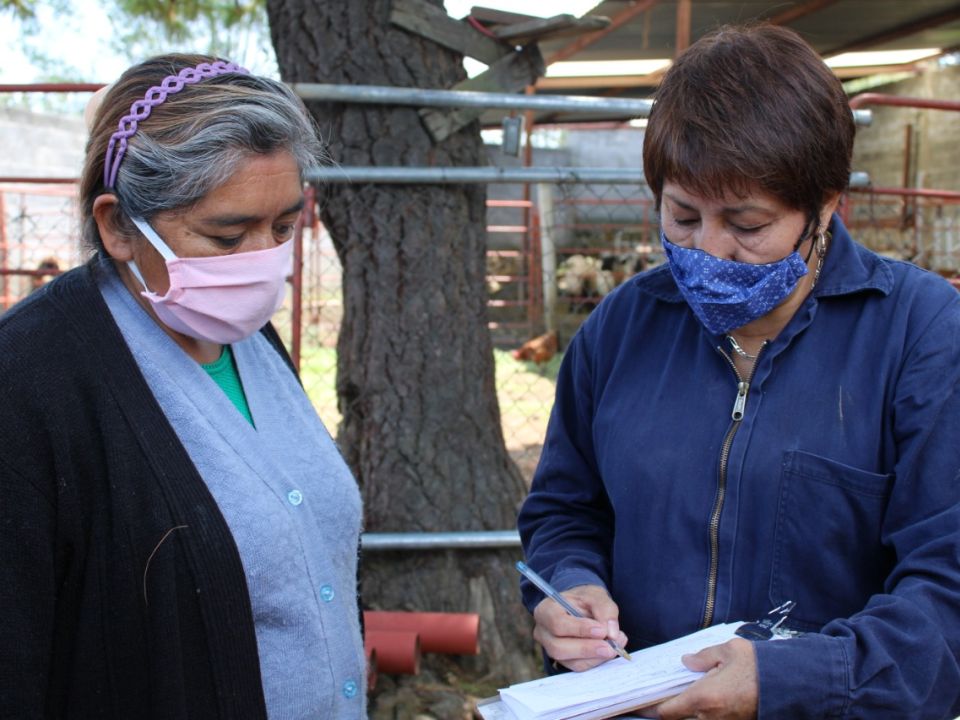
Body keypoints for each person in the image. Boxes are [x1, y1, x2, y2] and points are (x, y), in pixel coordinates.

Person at [517, 24, 960, 720]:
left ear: (825, 205)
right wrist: (568, 588)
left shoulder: (921, 334)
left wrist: (795, 678)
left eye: (747, 224)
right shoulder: (623, 327)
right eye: (683, 216)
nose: (710, 251)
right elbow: (565, 510)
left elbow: (947, 592)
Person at [0, 55, 367, 718]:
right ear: (116, 226)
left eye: (283, 227)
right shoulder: (30, 380)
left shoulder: (248, 337)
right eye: (227, 238)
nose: (263, 262)